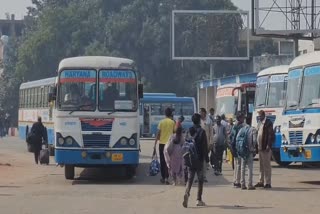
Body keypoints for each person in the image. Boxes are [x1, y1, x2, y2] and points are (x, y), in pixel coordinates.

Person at [183, 113, 209, 208]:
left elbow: (185, 143)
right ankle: (198, 199)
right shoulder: (202, 131)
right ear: (199, 121)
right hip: (199, 158)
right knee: (200, 179)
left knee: (190, 178)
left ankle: (187, 193)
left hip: (190, 158)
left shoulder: (189, 131)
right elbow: (204, 147)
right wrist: (206, 159)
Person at [154, 107, 175, 184]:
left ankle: (163, 177)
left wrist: (155, 143)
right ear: (171, 114)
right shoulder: (172, 122)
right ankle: (168, 177)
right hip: (170, 144)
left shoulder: (161, 122)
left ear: (165, 114)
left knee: (163, 161)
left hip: (162, 144)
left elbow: (158, 133)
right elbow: (175, 133)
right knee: (169, 161)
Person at [255, 110, 275, 189]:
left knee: (267, 166)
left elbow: (270, 135)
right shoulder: (259, 123)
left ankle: (268, 182)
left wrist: (268, 145)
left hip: (266, 147)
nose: (259, 118)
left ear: (263, 115)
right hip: (260, 147)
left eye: (260, 116)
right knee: (261, 166)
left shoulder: (268, 123)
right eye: (258, 116)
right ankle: (261, 181)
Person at [230, 112, 246, 188]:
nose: (243, 119)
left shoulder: (236, 126)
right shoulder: (237, 127)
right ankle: (237, 181)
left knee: (237, 165)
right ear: (239, 118)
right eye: (242, 117)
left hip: (236, 148)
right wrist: (233, 149)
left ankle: (235, 180)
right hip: (238, 148)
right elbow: (233, 139)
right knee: (238, 165)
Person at [238, 125, 257, 190]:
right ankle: (249, 184)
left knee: (242, 167)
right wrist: (254, 148)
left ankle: (242, 184)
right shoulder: (253, 129)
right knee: (249, 168)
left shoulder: (242, 129)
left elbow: (237, 139)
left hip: (243, 151)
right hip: (250, 151)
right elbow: (254, 140)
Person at [199, 108, 213, 182]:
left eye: (201, 112)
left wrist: (211, 143)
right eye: (199, 112)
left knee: (204, 160)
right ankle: (199, 176)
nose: (200, 113)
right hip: (198, 144)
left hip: (206, 143)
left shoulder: (209, 121)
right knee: (198, 160)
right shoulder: (198, 120)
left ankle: (204, 176)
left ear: (204, 113)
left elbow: (211, 133)